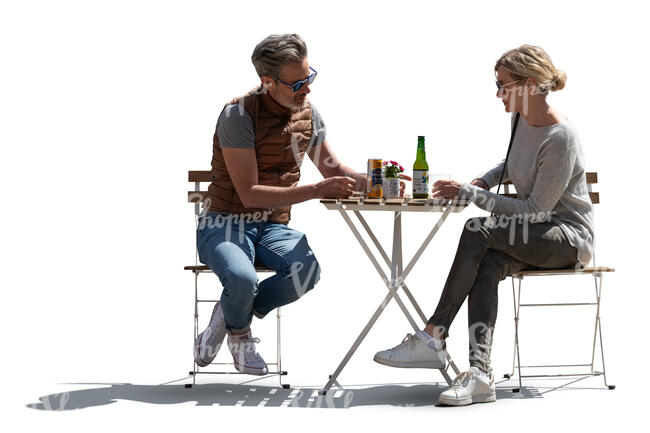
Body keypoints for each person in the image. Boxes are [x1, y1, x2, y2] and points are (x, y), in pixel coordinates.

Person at [374, 44, 594, 406]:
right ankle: (480, 375)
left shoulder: (561, 138)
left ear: (528, 85)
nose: (497, 93)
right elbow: (509, 163)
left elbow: (535, 211)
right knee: (487, 263)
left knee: (479, 230)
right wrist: (481, 182)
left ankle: (433, 336)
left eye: (503, 85)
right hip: (531, 238)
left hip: (566, 239)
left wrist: (471, 195)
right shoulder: (520, 119)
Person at [193, 34, 400, 376]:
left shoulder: (307, 112)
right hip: (224, 222)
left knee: (306, 272)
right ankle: (240, 333)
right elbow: (249, 194)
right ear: (267, 82)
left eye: (310, 77)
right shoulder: (237, 114)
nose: (307, 90)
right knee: (241, 279)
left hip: (272, 225)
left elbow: (333, 169)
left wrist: (381, 182)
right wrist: (318, 189)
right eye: (298, 83)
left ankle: (230, 314)